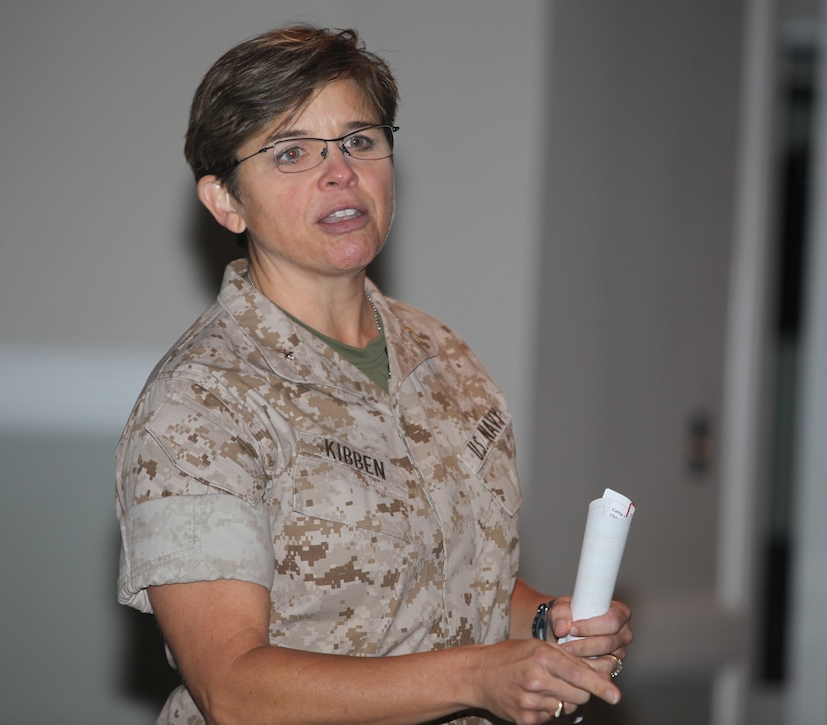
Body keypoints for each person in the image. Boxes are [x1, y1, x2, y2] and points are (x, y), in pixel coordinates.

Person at [115, 24, 632, 725]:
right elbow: (235, 690)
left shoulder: (443, 356)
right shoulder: (201, 401)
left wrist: (548, 625)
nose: (340, 172)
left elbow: (461, 590)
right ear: (226, 201)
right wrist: (478, 676)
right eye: (292, 152)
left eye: (360, 140)